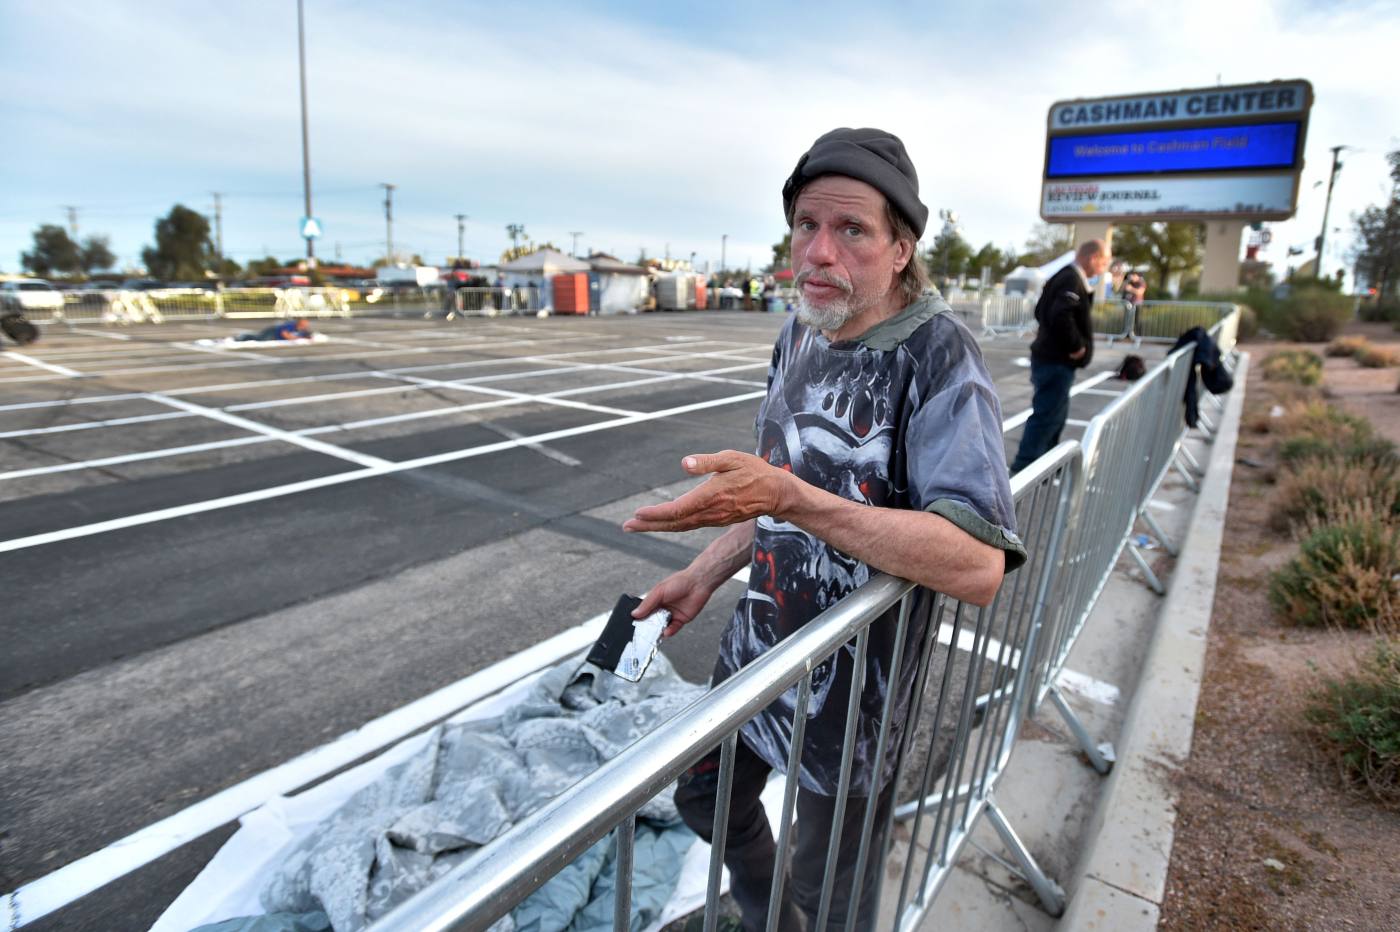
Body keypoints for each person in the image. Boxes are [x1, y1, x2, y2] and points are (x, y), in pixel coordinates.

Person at [622, 127, 1026, 932]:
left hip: (852, 711)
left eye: (852, 231)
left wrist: (798, 501)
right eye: (806, 224)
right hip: (758, 657)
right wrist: (705, 570)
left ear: (902, 247)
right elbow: (779, 485)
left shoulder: (941, 359)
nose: (819, 252)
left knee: (832, 892)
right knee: (702, 795)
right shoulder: (800, 330)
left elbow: (978, 564)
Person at [1008, 240, 1110, 473]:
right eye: (1103, 262)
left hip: (1053, 360)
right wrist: (1076, 346)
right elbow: (1059, 315)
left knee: (1054, 415)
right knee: (1047, 415)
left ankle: (1045, 465)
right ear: (1092, 257)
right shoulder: (1070, 279)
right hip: (1055, 361)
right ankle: (1025, 468)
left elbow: (1041, 311)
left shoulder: (1064, 277)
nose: (1103, 268)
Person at [235, 317, 313, 342]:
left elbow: (309, 337)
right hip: (273, 331)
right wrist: (297, 338)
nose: (305, 326)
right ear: (299, 323)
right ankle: (243, 336)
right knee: (260, 339)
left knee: (261, 339)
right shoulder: (291, 325)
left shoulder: (303, 330)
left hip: (275, 336)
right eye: (304, 324)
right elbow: (285, 335)